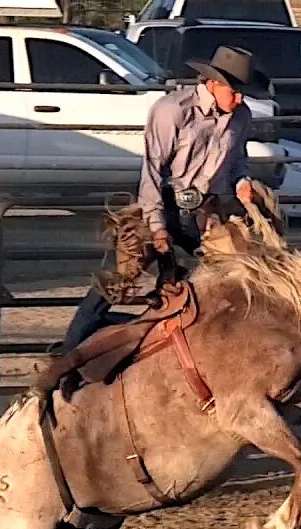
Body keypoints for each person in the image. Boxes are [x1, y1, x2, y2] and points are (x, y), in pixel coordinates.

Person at [58, 45, 272, 353]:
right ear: (213, 83)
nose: (239, 100)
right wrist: (157, 228)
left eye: (243, 93)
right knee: (118, 281)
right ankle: (68, 356)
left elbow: (238, 160)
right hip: (161, 204)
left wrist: (242, 183)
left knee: (232, 275)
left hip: (204, 211)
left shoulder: (240, 117)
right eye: (235, 92)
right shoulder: (173, 110)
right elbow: (152, 172)